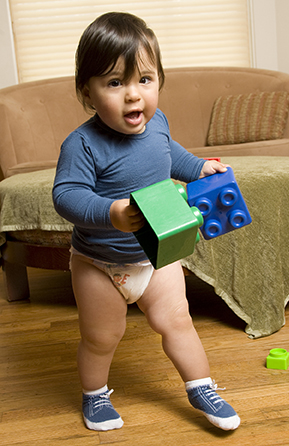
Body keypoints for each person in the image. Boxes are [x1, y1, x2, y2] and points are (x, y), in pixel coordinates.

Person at [52, 11, 240, 432]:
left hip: (155, 255)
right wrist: (112, 212)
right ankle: (95, 396)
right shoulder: (82, 144)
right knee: (103, 336)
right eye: (115, 82)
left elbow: (171, 156)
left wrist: (199, 169)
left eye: (145, 80)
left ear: (159, 81)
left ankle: (201, 385)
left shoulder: (158, 124)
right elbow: (65, 196)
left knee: (177, 321)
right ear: (88, 91)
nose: (133, 95)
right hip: (98, 261)